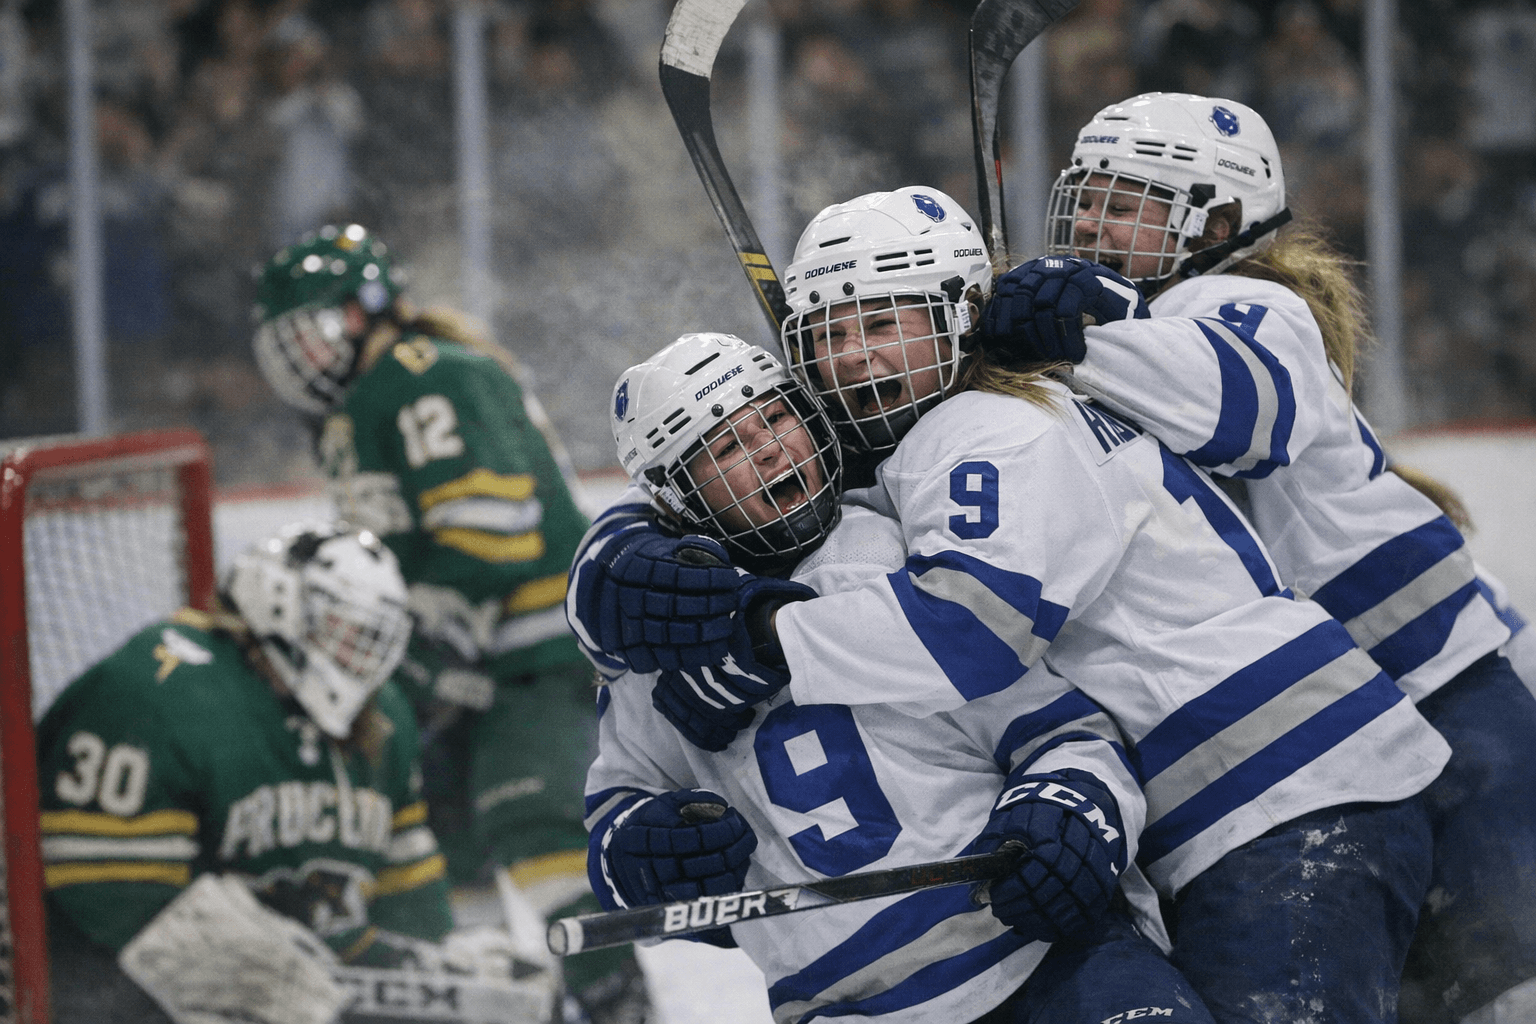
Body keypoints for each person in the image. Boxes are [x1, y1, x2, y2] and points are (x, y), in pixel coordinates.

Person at [570, 186, 1453, 1024]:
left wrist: (758, 636)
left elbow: (970, 629)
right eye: (828, 334)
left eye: (882, 323)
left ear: (960, 313)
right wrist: (615, 558)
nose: (853, 358)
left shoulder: (978, 431)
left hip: (1270, 785)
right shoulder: (942, 437)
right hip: (1256, 792)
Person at [978, 92, 1536, 1024]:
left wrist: (1074, 328)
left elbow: (1240, 418)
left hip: (1457, 720)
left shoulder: (1241, 299)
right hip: (1370, 741)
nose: (1085, 221)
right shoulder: (1124, 342)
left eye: (1124, 202)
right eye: (1081, 196)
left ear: (1222, 222)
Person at [580, 331, 1217, 1024]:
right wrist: (641, 853)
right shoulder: (651, 652)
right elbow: (619, 806)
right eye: (729, 448)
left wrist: (1069, 814)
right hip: (844, 1009)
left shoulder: (896, 551)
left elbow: (1065, 734)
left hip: (1044, 960)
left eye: (777, 417)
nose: (770, 448)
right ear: (674, 502)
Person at [248, 224, 630, 1019]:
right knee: (442, 845)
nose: (297, 357)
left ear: (366, 310)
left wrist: (430, 646)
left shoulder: (428, 374)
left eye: (308, 331)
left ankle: (616, 999)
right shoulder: (355, 406)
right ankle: (492, 998)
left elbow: (489, 530)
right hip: (459, 657)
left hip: (528, 648)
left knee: (533, 826)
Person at [36, 523, 452, 1021]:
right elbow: (107, 883)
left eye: (373, 640)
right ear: (280, 603)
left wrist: (440, 972)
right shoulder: (157, 689)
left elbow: (405, 886)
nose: (362, 658)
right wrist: (251, 976)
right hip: (103, 994)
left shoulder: (383, 716)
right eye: (345, 630)